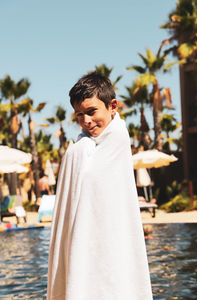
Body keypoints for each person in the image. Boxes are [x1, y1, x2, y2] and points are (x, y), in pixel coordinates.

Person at [47, 73, 153, 300]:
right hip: (84, 239)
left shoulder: (116, 140)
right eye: (79, 115)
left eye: (92, 111)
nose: (86, 121)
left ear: (112, 106)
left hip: (110, 238)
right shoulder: (82, 147)